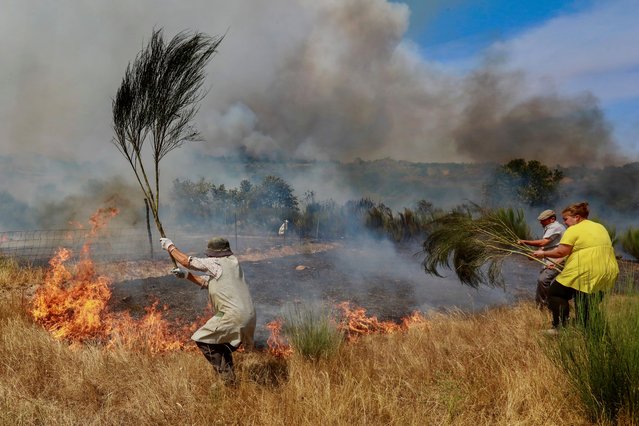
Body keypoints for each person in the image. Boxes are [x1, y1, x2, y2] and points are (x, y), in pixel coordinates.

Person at [159, 236, 256, 384]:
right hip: (248, 315)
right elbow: (206, 282)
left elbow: (187, 261)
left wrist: (170, 246)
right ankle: (229, 379)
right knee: (220, 345)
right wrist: (186, 275)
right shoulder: (232, 263)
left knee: (202, 339)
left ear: (213, 254)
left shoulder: (216, 262)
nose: (208, 256)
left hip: (232, 315)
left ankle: (227, 379)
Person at [532, 202, 619, 333]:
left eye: (566, 219)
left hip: (585, 269)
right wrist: (557, 262)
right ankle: (591, 331)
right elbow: (579, 249)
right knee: (585, 300)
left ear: (577, 217)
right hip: (607, 269)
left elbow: (561, 251)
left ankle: (560, 328)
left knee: (555, 293)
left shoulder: (573, 229)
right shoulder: (599, 226)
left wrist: (542, 253)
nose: (565, 223)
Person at [518, 209, 566, 308]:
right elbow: (545, 245)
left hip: (557, 260)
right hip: (550, 259)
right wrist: (535, 254)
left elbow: (543, 242)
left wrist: (524, 241)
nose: (540, 222)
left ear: (552, 219)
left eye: (543, 220)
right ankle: (541, 306)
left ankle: (545, 305)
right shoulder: (550, 227)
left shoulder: (555, 227)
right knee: (542, 282)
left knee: (543, 280)